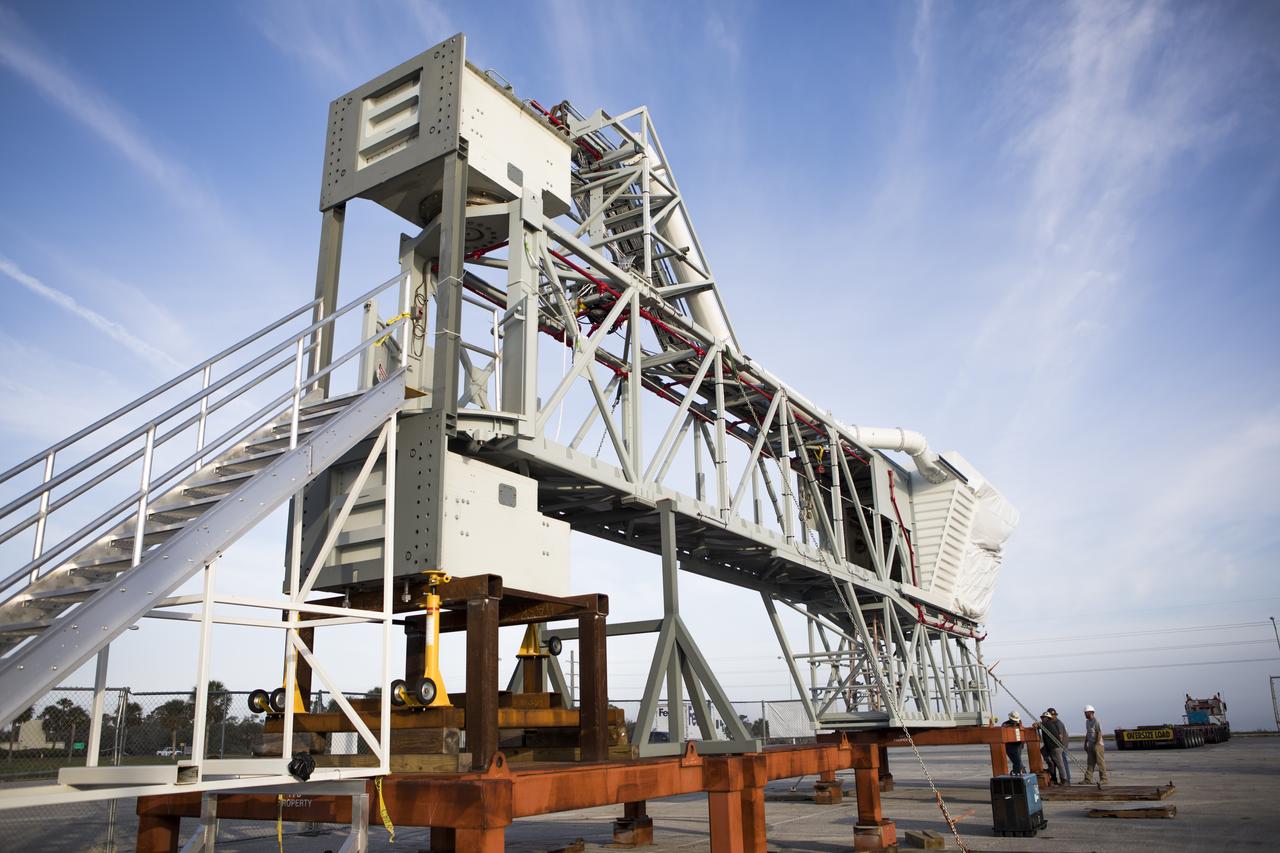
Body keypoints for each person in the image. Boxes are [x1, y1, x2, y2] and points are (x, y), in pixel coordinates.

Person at [1039, 708, 1069, 785]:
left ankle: (1064, 780)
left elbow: (1039, 725)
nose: (1042, 719)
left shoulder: (1047, 723)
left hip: (1056, 747)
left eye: (1043, 717)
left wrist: (1037, 724)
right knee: (1055, 761)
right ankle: (1053, 774)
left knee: (1060, 764)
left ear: (1046, 718)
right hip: (1053, 747)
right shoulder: (1050, 723)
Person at [1082, 705, 1109, 785]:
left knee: (1100, 762)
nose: (1085, 714)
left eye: (1086, 713)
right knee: (1090, 763)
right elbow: (1088, 733)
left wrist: (1097, 744)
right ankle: (1087, 779)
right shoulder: (1087, 722)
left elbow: (1099, 733)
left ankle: (1104, 779)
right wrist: (1085, 743)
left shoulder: (1096, 721)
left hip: (1098, 745)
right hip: (1090, 745)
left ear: (1091, 712)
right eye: (1084, 713)